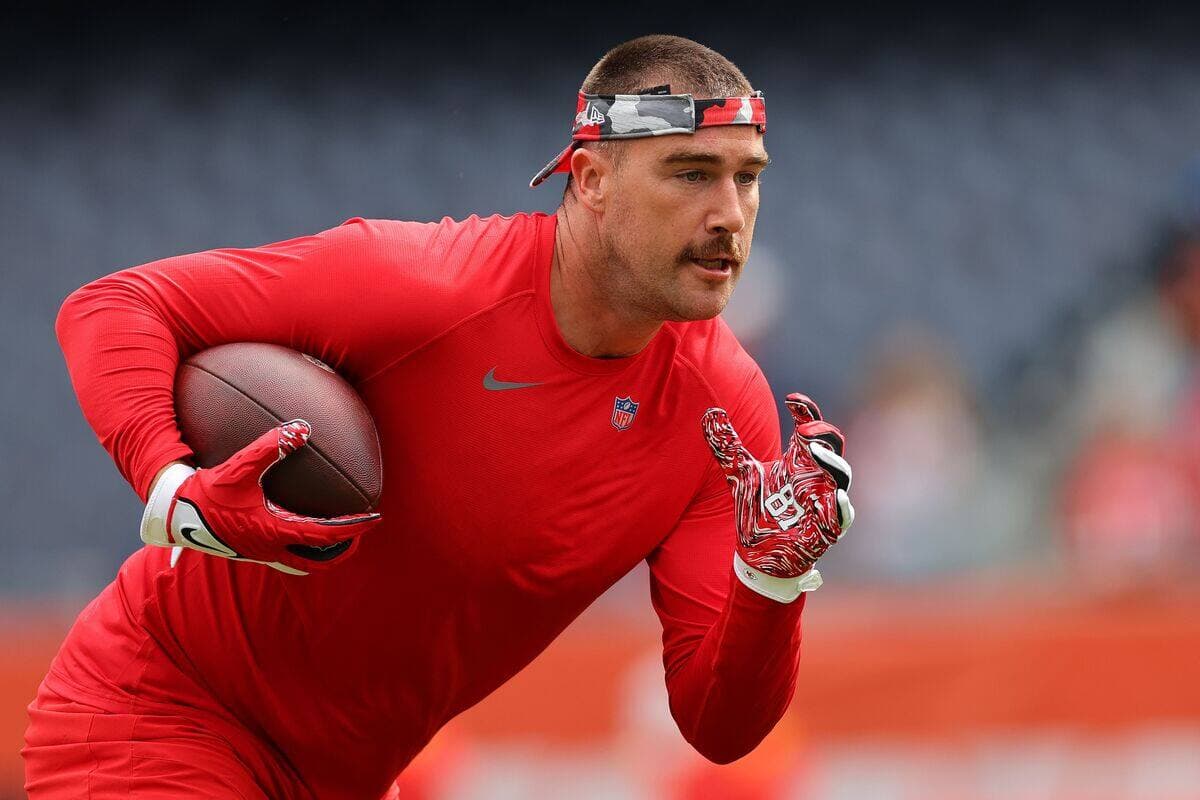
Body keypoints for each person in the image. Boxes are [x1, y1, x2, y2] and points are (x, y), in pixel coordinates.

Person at [24, 35, 855, 799]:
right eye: (691, 173)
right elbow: (116, 305)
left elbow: (719, 731)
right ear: (591, 179)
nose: (730, 213)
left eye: (748, 177)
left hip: (353, 777)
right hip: (161, 710)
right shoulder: (426, 285)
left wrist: (772, 583)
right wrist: (173, 489)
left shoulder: (724, 409)